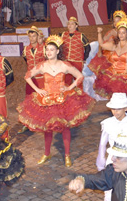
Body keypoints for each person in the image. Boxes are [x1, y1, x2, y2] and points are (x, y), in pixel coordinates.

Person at [17, 35, 95, 168]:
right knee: (47, 128)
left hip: (62, 99)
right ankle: (46, 153)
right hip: (47, 99)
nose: (49, 52)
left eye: (52, 50)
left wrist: (69, 87)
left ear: (57, 51)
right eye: (47, 50)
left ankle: (67, 155)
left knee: (65, 127)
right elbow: (27, 76)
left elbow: (79, 76)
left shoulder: (64, 65)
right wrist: (38, 90)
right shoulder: (42, 65)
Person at [60, 17, 90, 86]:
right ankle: (67, 92)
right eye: (69, 24)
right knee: (66, 80)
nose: (70, 25)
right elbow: (59, 47)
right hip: (66, 61)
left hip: (77, 61)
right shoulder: (63, 35)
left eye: (72, 24)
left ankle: (79, 93)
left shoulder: (81, 35)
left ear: (76, 26)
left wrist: (84, 58)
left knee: (78, 79)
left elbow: (88, 47)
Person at [22, 25, 45, 97]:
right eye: (30, 36)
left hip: (41, 78)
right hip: (30, 79)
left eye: (34, 36)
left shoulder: (44, 48)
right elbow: (26, 61)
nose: (31, 38)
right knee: (30, 98)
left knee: (42, 98)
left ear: (38, 36)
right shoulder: (25, 49)